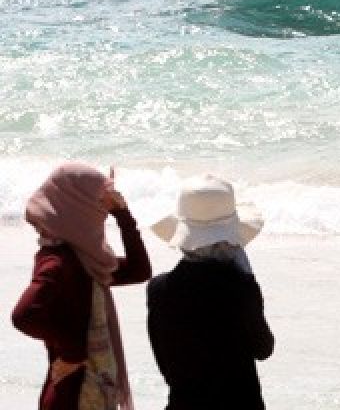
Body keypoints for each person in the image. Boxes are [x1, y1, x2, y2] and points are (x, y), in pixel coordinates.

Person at [11, 163, 152, 410]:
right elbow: (24, 315)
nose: (103, 211)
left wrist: (123, 215)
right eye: (98, 203)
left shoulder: (86, 259)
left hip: (86, 391)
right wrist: (74, 352)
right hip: (73, 395)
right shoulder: (58, 261)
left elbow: (140, 270)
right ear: (78, 207)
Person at [147, 175, 274, 410]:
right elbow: (264, 348)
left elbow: (165, 365)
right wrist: (248, 278)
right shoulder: (239, 287)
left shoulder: (159, 289)